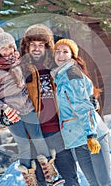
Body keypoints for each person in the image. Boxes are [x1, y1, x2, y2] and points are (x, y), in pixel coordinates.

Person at [0, 27, 64, 186]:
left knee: (38, 137)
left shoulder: (20, 62)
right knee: (24, 144)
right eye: (3, 48)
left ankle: (50, 172)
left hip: (27, 107)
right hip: (12, 113)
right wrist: (4, 109)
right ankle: (30, 178)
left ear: (14, 46)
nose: (7, 51)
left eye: (9, 46)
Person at [51, 38, 111, 186]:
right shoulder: (60, 77)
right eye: (58, 51)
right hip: (78, 139)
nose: (61, 55)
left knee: (105, 183)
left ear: (72, 56)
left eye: (65, 52)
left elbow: (83, 107)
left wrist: (91, 134)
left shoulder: (72, 74)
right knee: (94, 183)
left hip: (92, 135)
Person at [20, 24, 80, 186]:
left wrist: (90, 98)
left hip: (57, 131)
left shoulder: (56, 66)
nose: (37, 49)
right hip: (34, 134)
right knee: (41, 181)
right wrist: (2, 115)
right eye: (33, 45)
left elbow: (80, 85)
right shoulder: (20, 70)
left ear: (48, 47)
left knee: (70, 178)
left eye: (41, 45)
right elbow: (5, 94)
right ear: (26, 46)